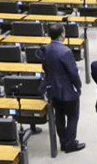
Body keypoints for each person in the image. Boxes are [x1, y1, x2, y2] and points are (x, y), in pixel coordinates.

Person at [37, 24, 85, 153]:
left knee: (59, 116)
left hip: (52, 90)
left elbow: (45, 67)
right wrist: (78, 86)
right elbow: (73, 73)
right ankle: (70, 144)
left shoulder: (46, 49)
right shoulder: (66, 51)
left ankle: (63, 142)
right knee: (73, 117)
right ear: (62, 34)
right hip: (67, 91)